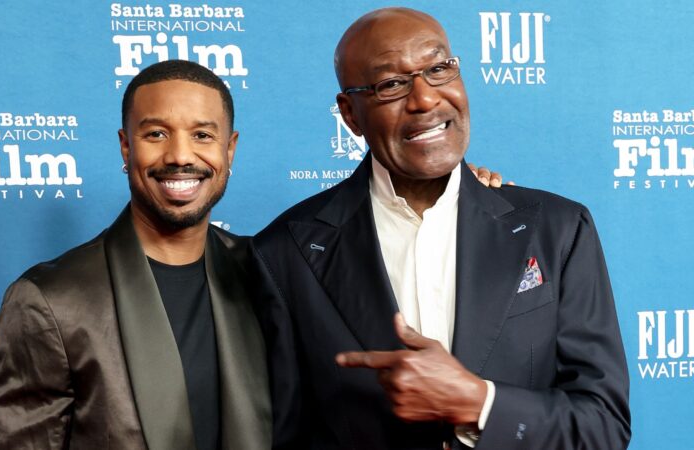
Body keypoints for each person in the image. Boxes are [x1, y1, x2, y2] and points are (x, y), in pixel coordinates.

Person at [251, 7, 630, 450]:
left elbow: (603, 426)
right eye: (391, 84)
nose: (425, 99)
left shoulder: (558, 228)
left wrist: (480, 403)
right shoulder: (284, 253)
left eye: (438, 69)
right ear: (350, 114)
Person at [0, 60, 271, 450]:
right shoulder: (49, 299)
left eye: (202, 135)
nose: (180, 156)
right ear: (126, 146)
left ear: (230, 149)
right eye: (156, 134)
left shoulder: (269, 272)